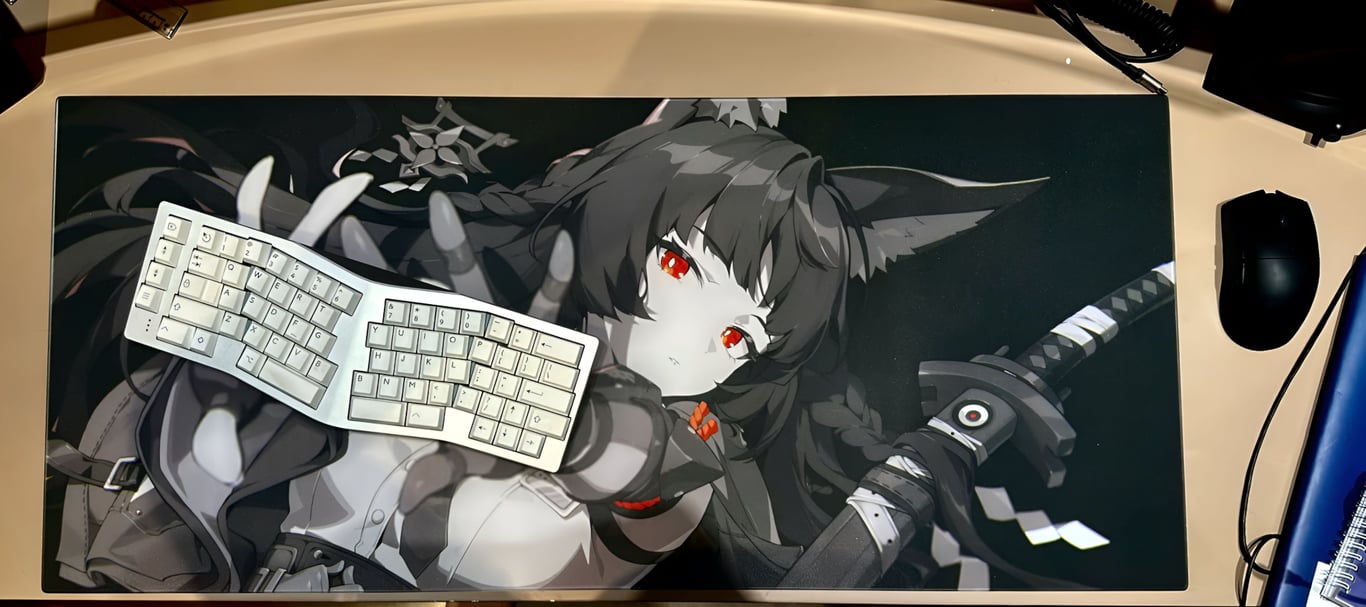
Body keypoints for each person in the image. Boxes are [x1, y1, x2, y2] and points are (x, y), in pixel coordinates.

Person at [46, 98, 1077, 592]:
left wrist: (581, 431)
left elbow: (605, 506)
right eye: (677, 267)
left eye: (739, 335)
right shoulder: (465, 301)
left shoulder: (673, 459)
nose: (696, 345)